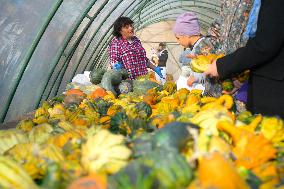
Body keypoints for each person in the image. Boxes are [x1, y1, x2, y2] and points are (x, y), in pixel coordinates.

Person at [205, 0, 284, 118]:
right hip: (232, 74)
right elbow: (217, 29)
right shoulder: (229, 2)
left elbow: (264, 43)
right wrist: (202, 53)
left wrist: (234, 71)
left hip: (259, 82)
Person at [173, 12, 219, 94]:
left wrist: (196, 78)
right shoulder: (199, 45)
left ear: (187, 35)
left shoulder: (202, 47)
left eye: (178, 38)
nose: (178, 41)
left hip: (212, 92)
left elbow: (213, 70)